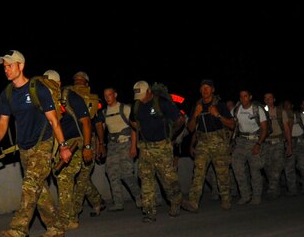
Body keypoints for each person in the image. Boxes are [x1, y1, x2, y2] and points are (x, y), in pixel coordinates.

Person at [0, 51, 71, 237]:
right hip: (24, 148)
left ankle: (18, 230)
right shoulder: (7, 94)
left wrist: (63, 146)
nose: (7, 69)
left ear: (21, 66)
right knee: (39, 189)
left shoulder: (38, 89)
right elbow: (3, 123)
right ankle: (56, 227)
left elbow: (53, 120)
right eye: (5, 67)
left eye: (10, 65)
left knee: (29, 185)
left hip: (43, 144)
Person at [46, 70, 104, 231]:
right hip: (64, 143)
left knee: (69, 176)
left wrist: (93, 145)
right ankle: (96, 201)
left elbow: (89, 122)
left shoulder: (71, 96)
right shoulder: (51, 100)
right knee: (80, 178)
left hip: (80, 141)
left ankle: (70, 217)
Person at [129, 81, 185, 222]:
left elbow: (180, 119)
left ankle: (176, 201)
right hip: (145, 148)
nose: (140, 99)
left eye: (142, 95)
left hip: (162, 147)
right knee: (146, 179)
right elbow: (133, 122)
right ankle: (149, 211)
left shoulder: (162, 103)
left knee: (168, 180)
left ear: (149, 91)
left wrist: (171, 134)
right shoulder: (137, 106)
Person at [182, 79, 236, 211]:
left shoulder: (220, 105)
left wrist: (218, 115)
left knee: (222, 173)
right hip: (203, 143)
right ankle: (193, 202)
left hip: (219, 142)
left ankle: (226, 199)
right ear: (200, 90)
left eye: (208, 88)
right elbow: (190, 128)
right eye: (203, 88)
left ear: (213, 90)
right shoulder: (197, 106)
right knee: (198, 173)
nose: (205, 90)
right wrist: (195, 114)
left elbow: (232, 124)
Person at [96, 87, 141, 211]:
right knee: (112, 173)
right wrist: (100, 146)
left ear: (115, 95)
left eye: (110, 95)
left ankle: (138, 196)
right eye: (105, 95)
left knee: (126, 174)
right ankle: (118, 202)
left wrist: (133, 147)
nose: (107, 98)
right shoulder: (104, 112)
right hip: (112, 145)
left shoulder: (125, 109)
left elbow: (133, 128)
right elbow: (101, 129)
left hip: (126, 143)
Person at [230, 90, 269, 205]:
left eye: (245, 96)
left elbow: (264, 129)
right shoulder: (236, 109)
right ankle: (245, 195)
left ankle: (256, 196)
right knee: (237, 167)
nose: (243, 98)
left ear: (250, 97)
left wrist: (258, 144)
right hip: (240, 141)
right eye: (241, 96)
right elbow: (231, 126)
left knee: (255, 170)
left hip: (254, 140)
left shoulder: (257, 109)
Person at [262, 93, 296, 198]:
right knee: (267, 167)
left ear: (274, 99)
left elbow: (286, 129)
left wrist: (289, 145)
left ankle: (272, 190)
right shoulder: (261, 111)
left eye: (270, 98)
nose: (268, 100)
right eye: (266, 98)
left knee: (277, 167)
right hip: (266, 143)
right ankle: (275, 189)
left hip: (278, 142)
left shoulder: (281, 112)